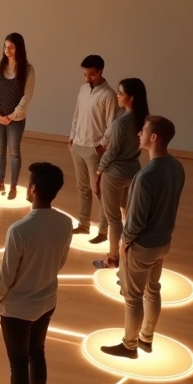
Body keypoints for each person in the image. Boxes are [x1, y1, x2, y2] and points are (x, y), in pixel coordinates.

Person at [0, 162, 71, 384]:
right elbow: (61, 262)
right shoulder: (65, 222)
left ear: (33, 189)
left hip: (17, 310)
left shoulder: (19, 230)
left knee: (19, 364)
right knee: (37, 354)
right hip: (48, 302)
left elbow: (6, 276)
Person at [102, 116, 186, 359]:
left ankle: (129, 345)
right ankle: (146, 338)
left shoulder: (145, 176)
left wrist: (123, 244)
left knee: (133, 298)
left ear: (154, 137)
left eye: (144, 131)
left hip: (142, 247)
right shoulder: (176, 167)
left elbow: (135, 220)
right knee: (153, 289)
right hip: (163, 243)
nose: (139, 133)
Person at [93, 78, 149, 269]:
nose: (117, 95)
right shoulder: (144, 120)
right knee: (128, 214)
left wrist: (99, 171)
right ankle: (128, 252)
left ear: (131, 98)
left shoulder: (121, 123)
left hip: (115, 174)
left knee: (113, 217)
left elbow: (111, 151)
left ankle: (113, 257)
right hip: (133, 170)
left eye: (120, 93)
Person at [69, 55, 118, 243]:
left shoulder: (108, 95)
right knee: (82, 187)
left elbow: (111, 123)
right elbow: (77, 115)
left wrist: (102, 145)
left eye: (91, 74)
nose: (87, 78)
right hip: (78, 145)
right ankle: (83, 224)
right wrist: (72, 138)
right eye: (84, 74)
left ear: (100, 71)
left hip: (94, 148)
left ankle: (104, 231)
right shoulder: (82, 90)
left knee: (98, 190)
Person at [0, 33, 37, 199]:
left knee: (14, 152)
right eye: (5, 46)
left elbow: (26, 97)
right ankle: (0, 183)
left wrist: (11, 116)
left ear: (19, 48)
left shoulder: (27, 70)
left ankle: (13, 186)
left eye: (11, 46)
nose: (7, 49)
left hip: (16, 119)